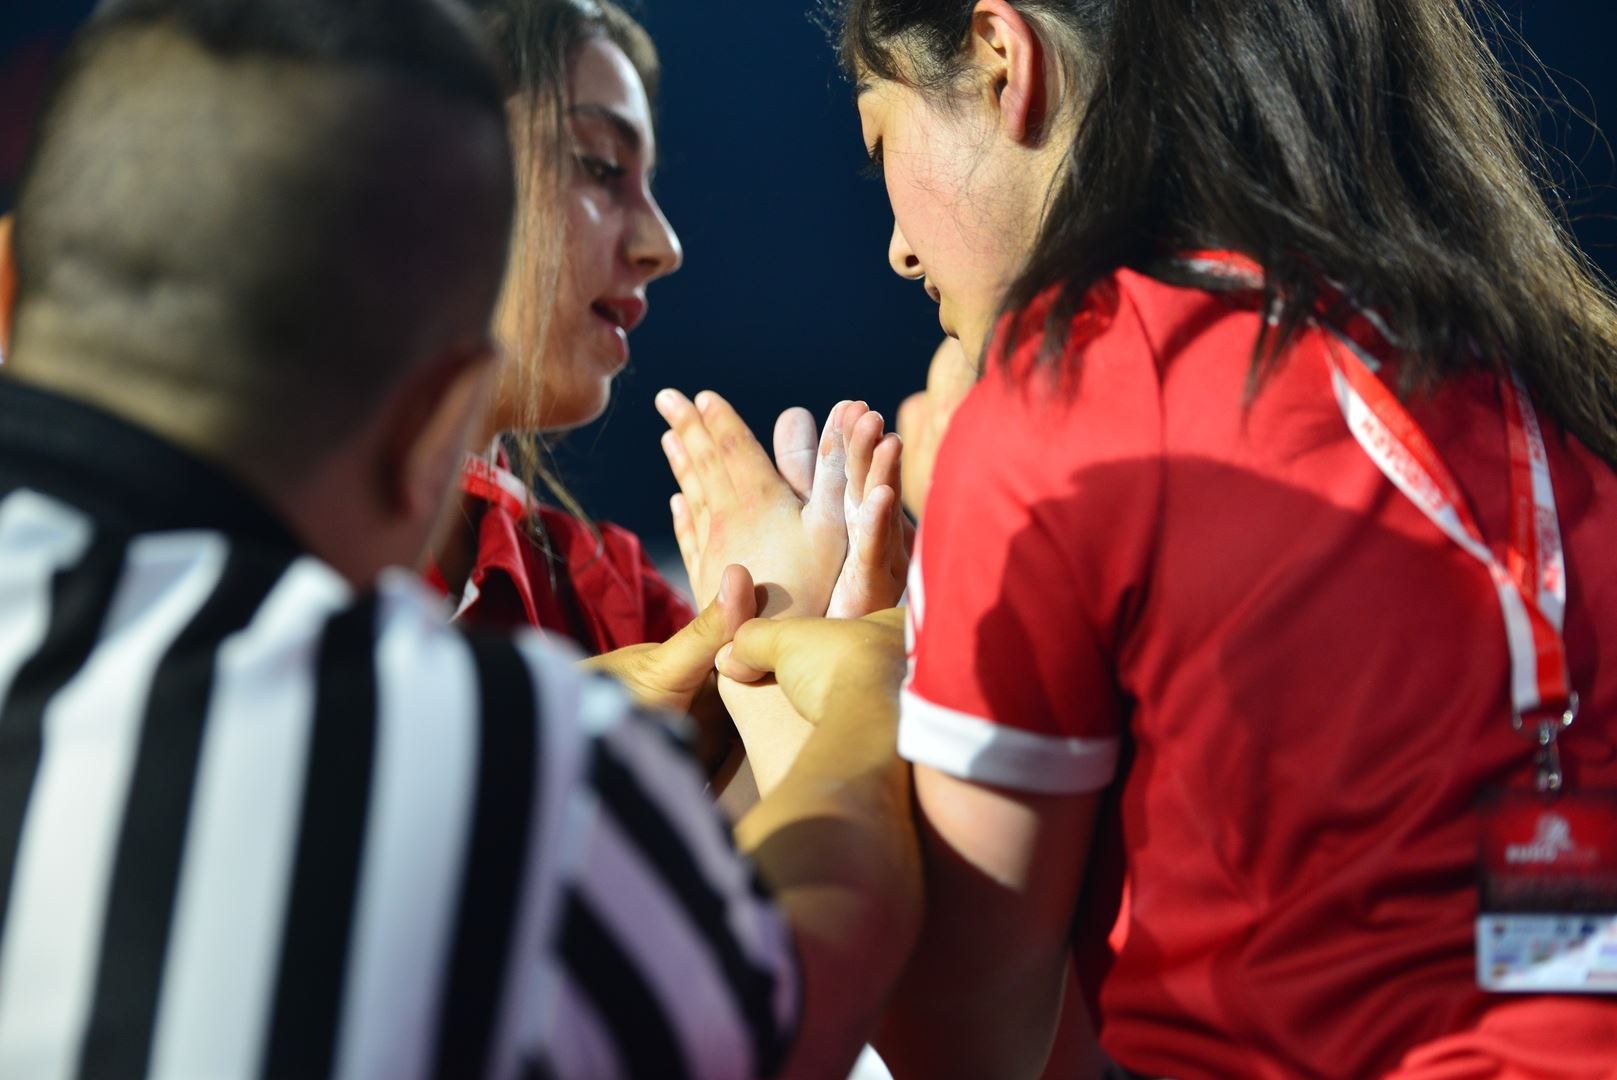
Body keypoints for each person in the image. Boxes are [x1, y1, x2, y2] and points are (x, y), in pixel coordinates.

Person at [0, 1, 919, 1076]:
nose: (662, 242)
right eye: (593, 163)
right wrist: (865, 687)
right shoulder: (502, 754)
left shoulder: (578, 621)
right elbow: (776, 1008)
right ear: (434, 432)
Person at [710, 0, 1617, 1075]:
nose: (901, 249)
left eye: (881, 142)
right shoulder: (1563, 376)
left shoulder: (1072, 404)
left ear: (1007, 63)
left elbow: (965, 1047)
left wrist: (841, 672)